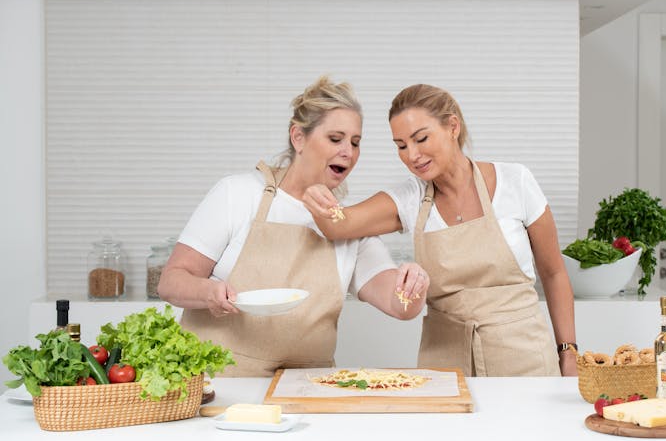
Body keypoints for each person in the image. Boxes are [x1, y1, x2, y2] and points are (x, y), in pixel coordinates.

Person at [158, 76, 430, 377]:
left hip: (304, 390)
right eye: (335, 139)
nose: (348, 153)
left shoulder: (347, 223)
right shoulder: (237, 194)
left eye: (355, 142)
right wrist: (208, 292)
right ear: (298, 137)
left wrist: (413, 284)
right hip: (219, 382)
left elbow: (399, 304)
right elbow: (171, 281)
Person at [302, 84, 577, 377]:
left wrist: (568, 351)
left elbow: (553, 272)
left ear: (452, 126)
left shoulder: (515, 181)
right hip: (446, 364)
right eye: (401, 145)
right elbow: (338, 223)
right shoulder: (411, 198)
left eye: (421, 138)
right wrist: (316, 183)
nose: (413, 155)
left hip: (525, 358)